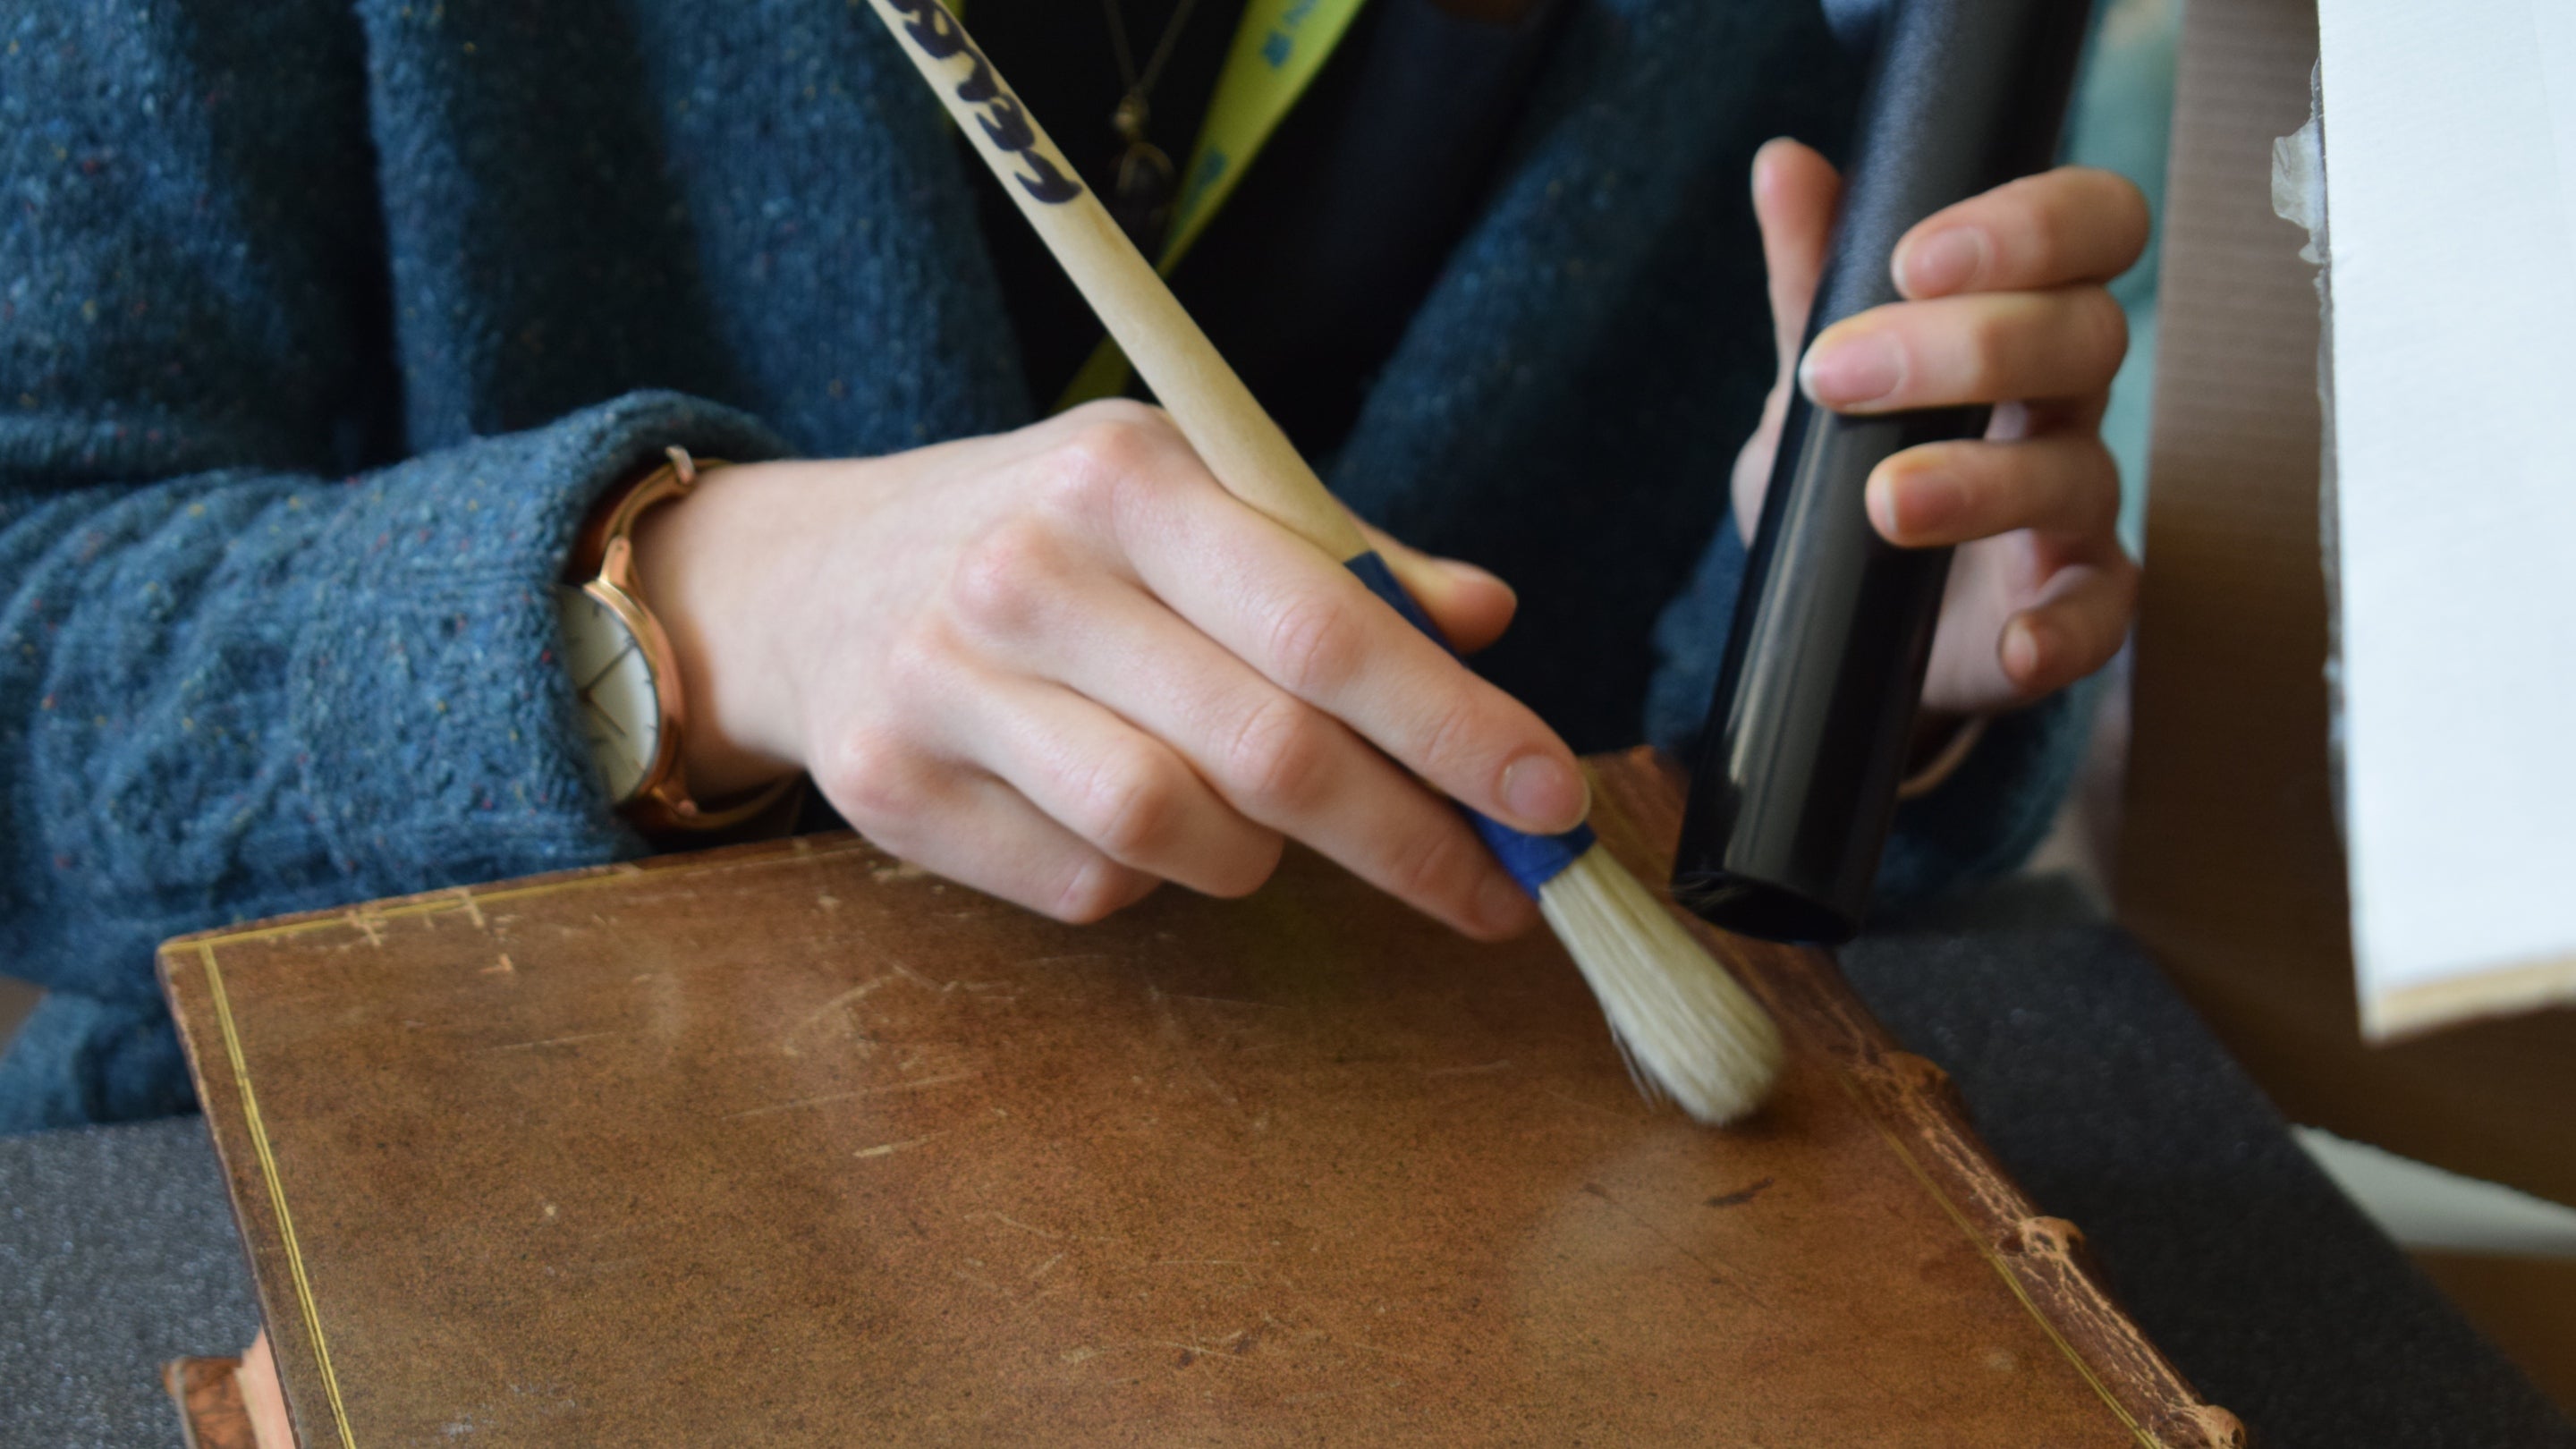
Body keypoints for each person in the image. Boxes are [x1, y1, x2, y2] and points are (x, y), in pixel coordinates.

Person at [0, 0, 2140, 1131]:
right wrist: (696, 610)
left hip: (1397, 1210)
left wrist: (1850, 669)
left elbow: (1646, 796)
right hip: (416, 1183)